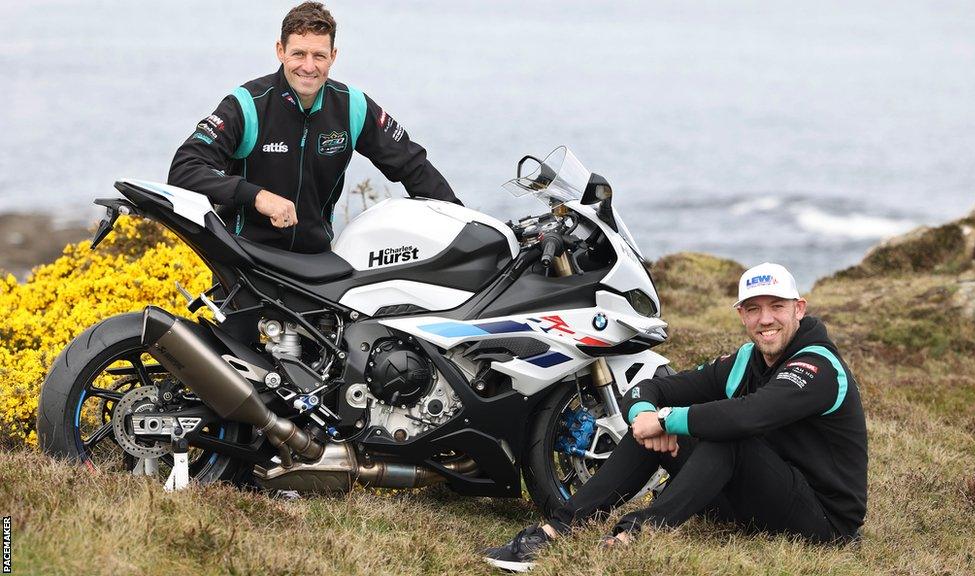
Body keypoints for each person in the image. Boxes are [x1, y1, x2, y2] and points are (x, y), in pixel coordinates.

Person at [483, 262, 868, 572]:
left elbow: (750, 416)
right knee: (653, 431)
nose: (765, 319)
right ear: (741, 315)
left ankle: (639, 533)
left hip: (822, 522)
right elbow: (652, 388)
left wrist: (668, 421)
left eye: (777, 307)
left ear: (799, 309)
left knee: (726, 436)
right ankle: (558, 528)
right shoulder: (745, 361)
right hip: (759, 499)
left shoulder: (817, 366)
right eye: (753, 309)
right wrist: (645, 414)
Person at [168, 2, 460, 254]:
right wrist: (256, 196)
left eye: (319, 56)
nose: (308, 66)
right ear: (280, 51)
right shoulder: (247, 105)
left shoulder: (352, 106)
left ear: (333, 56)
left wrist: (463, 225)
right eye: (299, 54)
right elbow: (184, 169)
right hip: (244, 256)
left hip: (316, 262)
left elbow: (412, 165)